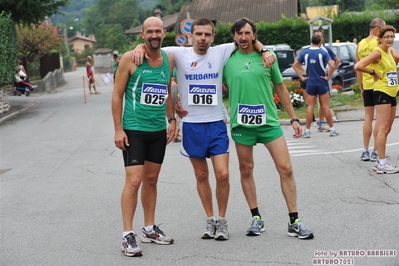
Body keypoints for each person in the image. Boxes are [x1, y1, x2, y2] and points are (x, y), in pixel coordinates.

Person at [132, 17, 275, 241]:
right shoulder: (179, 54)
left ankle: (223, 220)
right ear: (191, 36)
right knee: (201, 175)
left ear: (213, 37)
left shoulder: (221, 51)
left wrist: (264, 50)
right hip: (192, 125)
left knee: (223, 174)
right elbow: (153, 44)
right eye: (198, 34)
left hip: (216, 123)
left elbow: (247, 39)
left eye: (207, 34)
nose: (203, 38)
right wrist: (140, 46)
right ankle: (210, 220)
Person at [223, 17, 314, 239]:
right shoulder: (227, 60)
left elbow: (282, 89)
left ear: (254, 35)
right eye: (239, 33)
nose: (243, 37)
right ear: (234, 36)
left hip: (269, 123)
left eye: (247, 33)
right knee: (246, 170)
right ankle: (256, 218)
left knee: (286, 169)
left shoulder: (267, 59)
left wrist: (293, 118)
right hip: (242, 125)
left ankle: (294, 221)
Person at [111, 16, 176, 257]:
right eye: (149, 32)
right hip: (134, 129)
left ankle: (149, 228)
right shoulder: (131, 58)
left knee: (151, 180)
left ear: (164, 33)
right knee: (134, 180)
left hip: (157, 130)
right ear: (142, 34)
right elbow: (117, 96)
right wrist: (118, 129)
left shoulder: (169, 59)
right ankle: (127, 235)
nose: (154, 35)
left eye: (157, 31)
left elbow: (167, 91)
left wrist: (171, 119)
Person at [354, 25, 399, 174]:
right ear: (380, 39)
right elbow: (358, 65)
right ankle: (381, 162)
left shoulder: (389, 53)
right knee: (383, 128)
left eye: (392, 36)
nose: (390, 39)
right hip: (381, 93)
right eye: (387, 37)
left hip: (392, 93)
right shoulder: (377, 52)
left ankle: (381, 160)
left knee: (387, 129)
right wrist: (373, 72)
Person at [293, 33, 338, 138]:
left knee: (310, 107)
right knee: (326, 106)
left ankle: (307, 131)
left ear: (310, 41)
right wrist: (328, 76)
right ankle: (332, 129)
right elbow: (332, 64)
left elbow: (295, 65)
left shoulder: (305, 52)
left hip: (310, 82)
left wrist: (302, 76)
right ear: (320, 42)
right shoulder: (323, 52)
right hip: (321, 82)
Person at [356, 18, 386, 162]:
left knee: (368, 117)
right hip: (379, 84)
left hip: (367, 85)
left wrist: (361, 86)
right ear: (377, 30)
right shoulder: (378, 43)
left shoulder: (360, 44)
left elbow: (358, 67)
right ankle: (376, 150)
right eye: (384, 30)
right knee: (379, 120)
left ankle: (365, 150)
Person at [313, 29, 340, 132]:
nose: (319, 38)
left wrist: (329, 73)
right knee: (311, 103)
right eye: (317, 36)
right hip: (312, 79)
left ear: (323, 38)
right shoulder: (309, 49)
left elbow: (337, 60)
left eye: (320, 36)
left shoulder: (325, 50)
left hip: (323, 79)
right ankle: (314, 124)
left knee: (323, 103)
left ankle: (321, 123)